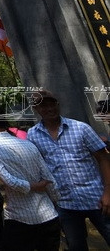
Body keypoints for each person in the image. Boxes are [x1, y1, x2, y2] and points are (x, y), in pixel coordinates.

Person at [27, 90, 110, 250]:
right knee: (76, 246)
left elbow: (103, 158)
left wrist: (108, 192)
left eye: (51, 104)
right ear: (36, 109)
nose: (49, 108)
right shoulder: (33, 135)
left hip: (96, 198)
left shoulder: (81, 128)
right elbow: (39, 167)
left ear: (57, 105)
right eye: (43, 105)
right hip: (65, 203)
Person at [0, 111, 60, 250]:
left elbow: (10, 181)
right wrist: (55, 200)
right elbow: (49, 178)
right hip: (48, 215)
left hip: (19, 218)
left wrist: (33, 186)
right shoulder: (28, 144)